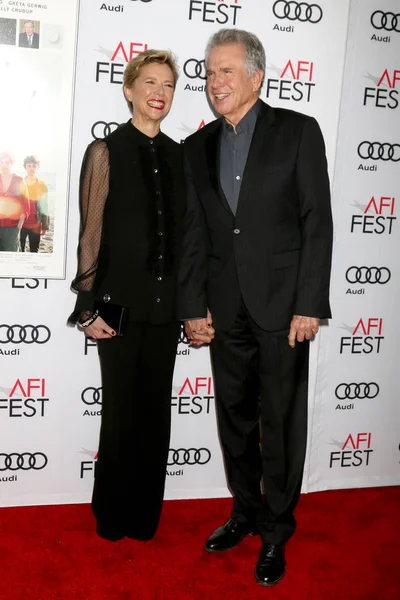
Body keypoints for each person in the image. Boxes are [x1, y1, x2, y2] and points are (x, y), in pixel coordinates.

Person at [178, 29, 333, 587]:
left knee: (281, 423)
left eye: (225, 71)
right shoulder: (196, 148)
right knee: (235, 420)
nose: (213, 82)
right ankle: (244, 511)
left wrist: (310, 302)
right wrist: (192, 306)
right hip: (223, 310)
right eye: (209, 72)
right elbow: (194, 236)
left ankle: (275, 530)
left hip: (284, 308)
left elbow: (318, 220)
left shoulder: (297, 131)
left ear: (255, 76)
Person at [69, 50, 185, 542]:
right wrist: (85, 305)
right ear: (129, 89)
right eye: (149, 82)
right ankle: (112, 514)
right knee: (119, 412)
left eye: (168, 85)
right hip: (115, 307)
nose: (159, 92)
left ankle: (144, 516)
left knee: (155, 414)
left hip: (165, 308)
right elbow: (91, 236)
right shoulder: (105, 151)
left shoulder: (181, 156)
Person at [0, 151, 29, 252]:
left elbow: (26, 202)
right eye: (1, 162)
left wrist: (21, 222)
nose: (3, 165)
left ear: (11, 163)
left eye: (6, 162)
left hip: (12, 226)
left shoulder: (19, 180)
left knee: (10, 254)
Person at [20, 155, 49, 253]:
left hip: (36, 225)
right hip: (21, 224)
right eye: (29, 166)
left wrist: (45, 225)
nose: (32, 168)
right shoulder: (20, 183)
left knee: (34, 251)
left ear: (37, 167)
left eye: (34, 166)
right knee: (20, 251)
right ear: (25, 167)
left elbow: (45, 206)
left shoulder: (42, 185)